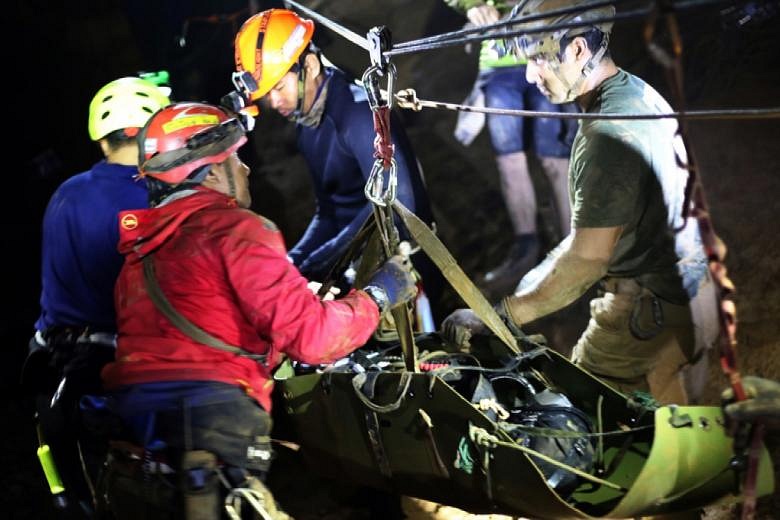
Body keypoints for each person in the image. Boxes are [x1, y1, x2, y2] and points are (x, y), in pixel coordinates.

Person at [99, 101, 417, 518]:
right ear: (212, 172)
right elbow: (316, 339)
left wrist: (296, 306)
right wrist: (377, 295)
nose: (246, 170)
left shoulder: (139, 256)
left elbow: (196, 338)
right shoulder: (238, 230)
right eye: (236, 159)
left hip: (135, 433)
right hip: (213, 428)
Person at [442, 0, 719, 405]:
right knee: (682, 446)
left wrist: (499, 316)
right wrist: (521, 295)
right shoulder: (636, 92)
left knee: (580, 423)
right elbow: (583, 239)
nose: (530, 74)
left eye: (538, 57)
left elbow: (586, 259)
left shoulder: (605, 137)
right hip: (696, 299)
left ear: (576, 49)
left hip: (648, 319)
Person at [232, 8, 442, 320]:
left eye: (279, 87)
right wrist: (296, 261)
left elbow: (401, 206)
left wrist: (321, 260)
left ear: (312, 65)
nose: (275, 103)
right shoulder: (307, 120)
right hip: (357, 270)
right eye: (267, 95)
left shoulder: (358, 116)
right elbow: (330, 209)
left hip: (404, 272)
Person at [23, 76, 170, 516]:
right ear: (150, 135)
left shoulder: (64, 193)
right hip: (120, 374)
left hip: (51, 367)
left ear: (103, 139)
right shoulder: (153, 198)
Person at [445, 0, 576, 297]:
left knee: (555, 159)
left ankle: (574, 249)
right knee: (509, 161)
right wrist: (472, 4)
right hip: (498, 61)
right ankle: (526, 248)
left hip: (548, 51)